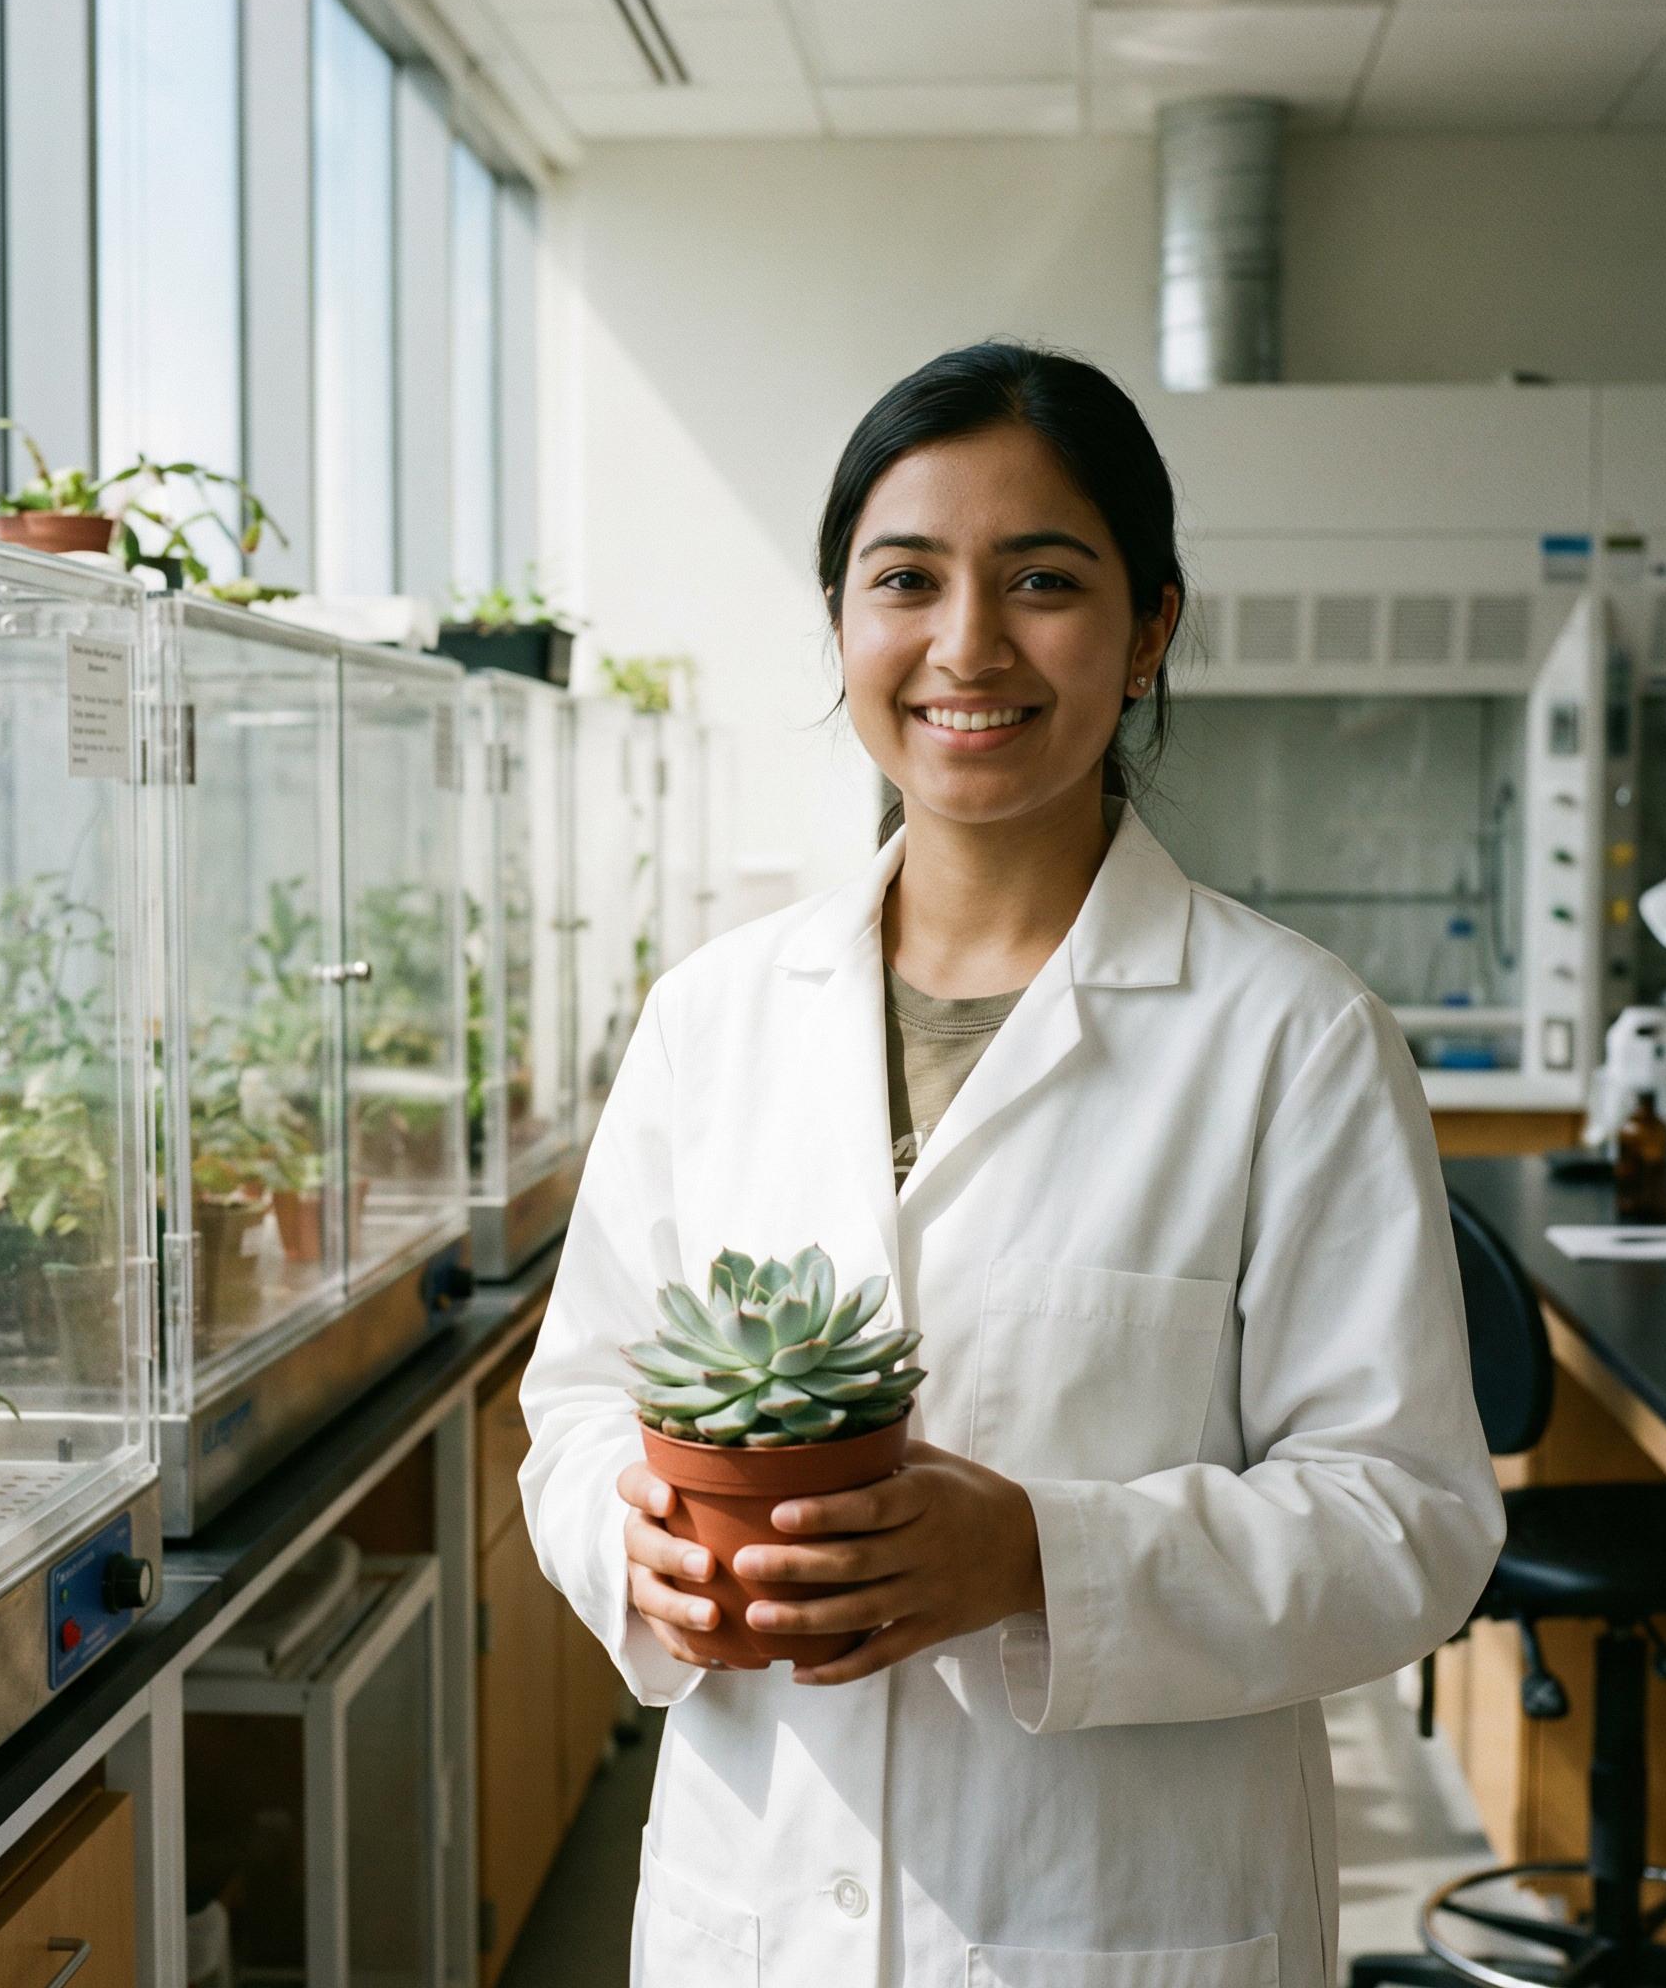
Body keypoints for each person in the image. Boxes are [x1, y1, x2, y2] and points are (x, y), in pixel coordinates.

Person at [519, 340, 1504, 1988]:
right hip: (759, 1905)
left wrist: (1038, 1559)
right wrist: (641, 1552)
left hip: (1125, 1919)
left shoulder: (1292, 1038)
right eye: (905, 578)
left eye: (1044, 578)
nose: (967, 643)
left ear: (1151, 631)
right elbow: (576, 1410)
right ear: (841, 620)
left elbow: (1410, 1521)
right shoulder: (713, 1021)